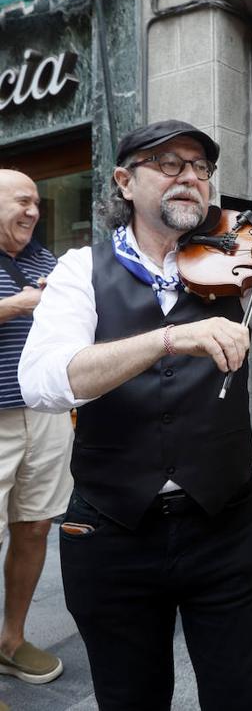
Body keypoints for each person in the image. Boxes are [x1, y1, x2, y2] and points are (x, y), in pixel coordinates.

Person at [18, 121, 252, 711]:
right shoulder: (80, 270)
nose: (190, 177)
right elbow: (42, 383)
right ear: (124, 181)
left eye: (201, 168)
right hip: (113, 531)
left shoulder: (240, 270)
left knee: (238, 696)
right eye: (169, 164)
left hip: (224, 525)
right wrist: (168, 338)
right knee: (128, 697)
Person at [0, 170, 73, 689]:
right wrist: (21, 304)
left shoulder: (46, 259)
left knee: (36, 525)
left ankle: (11, 640)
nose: (33, 212)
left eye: (37, 205)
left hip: (43, 413)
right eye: (22, 202)